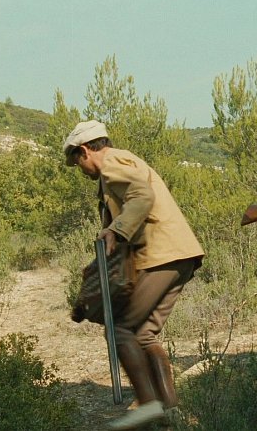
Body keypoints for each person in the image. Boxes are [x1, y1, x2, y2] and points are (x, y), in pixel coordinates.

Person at [63, 120, 204, 430]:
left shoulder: (113, 161)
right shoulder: (120, 163)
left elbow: (141, 197)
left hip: (161, 253)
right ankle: (168, 408)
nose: (79, 168)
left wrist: (116, 230)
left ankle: (149, 408)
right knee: (143, 334)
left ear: (84, 150)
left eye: (76, 161)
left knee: (121, 330)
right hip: (179, 254)